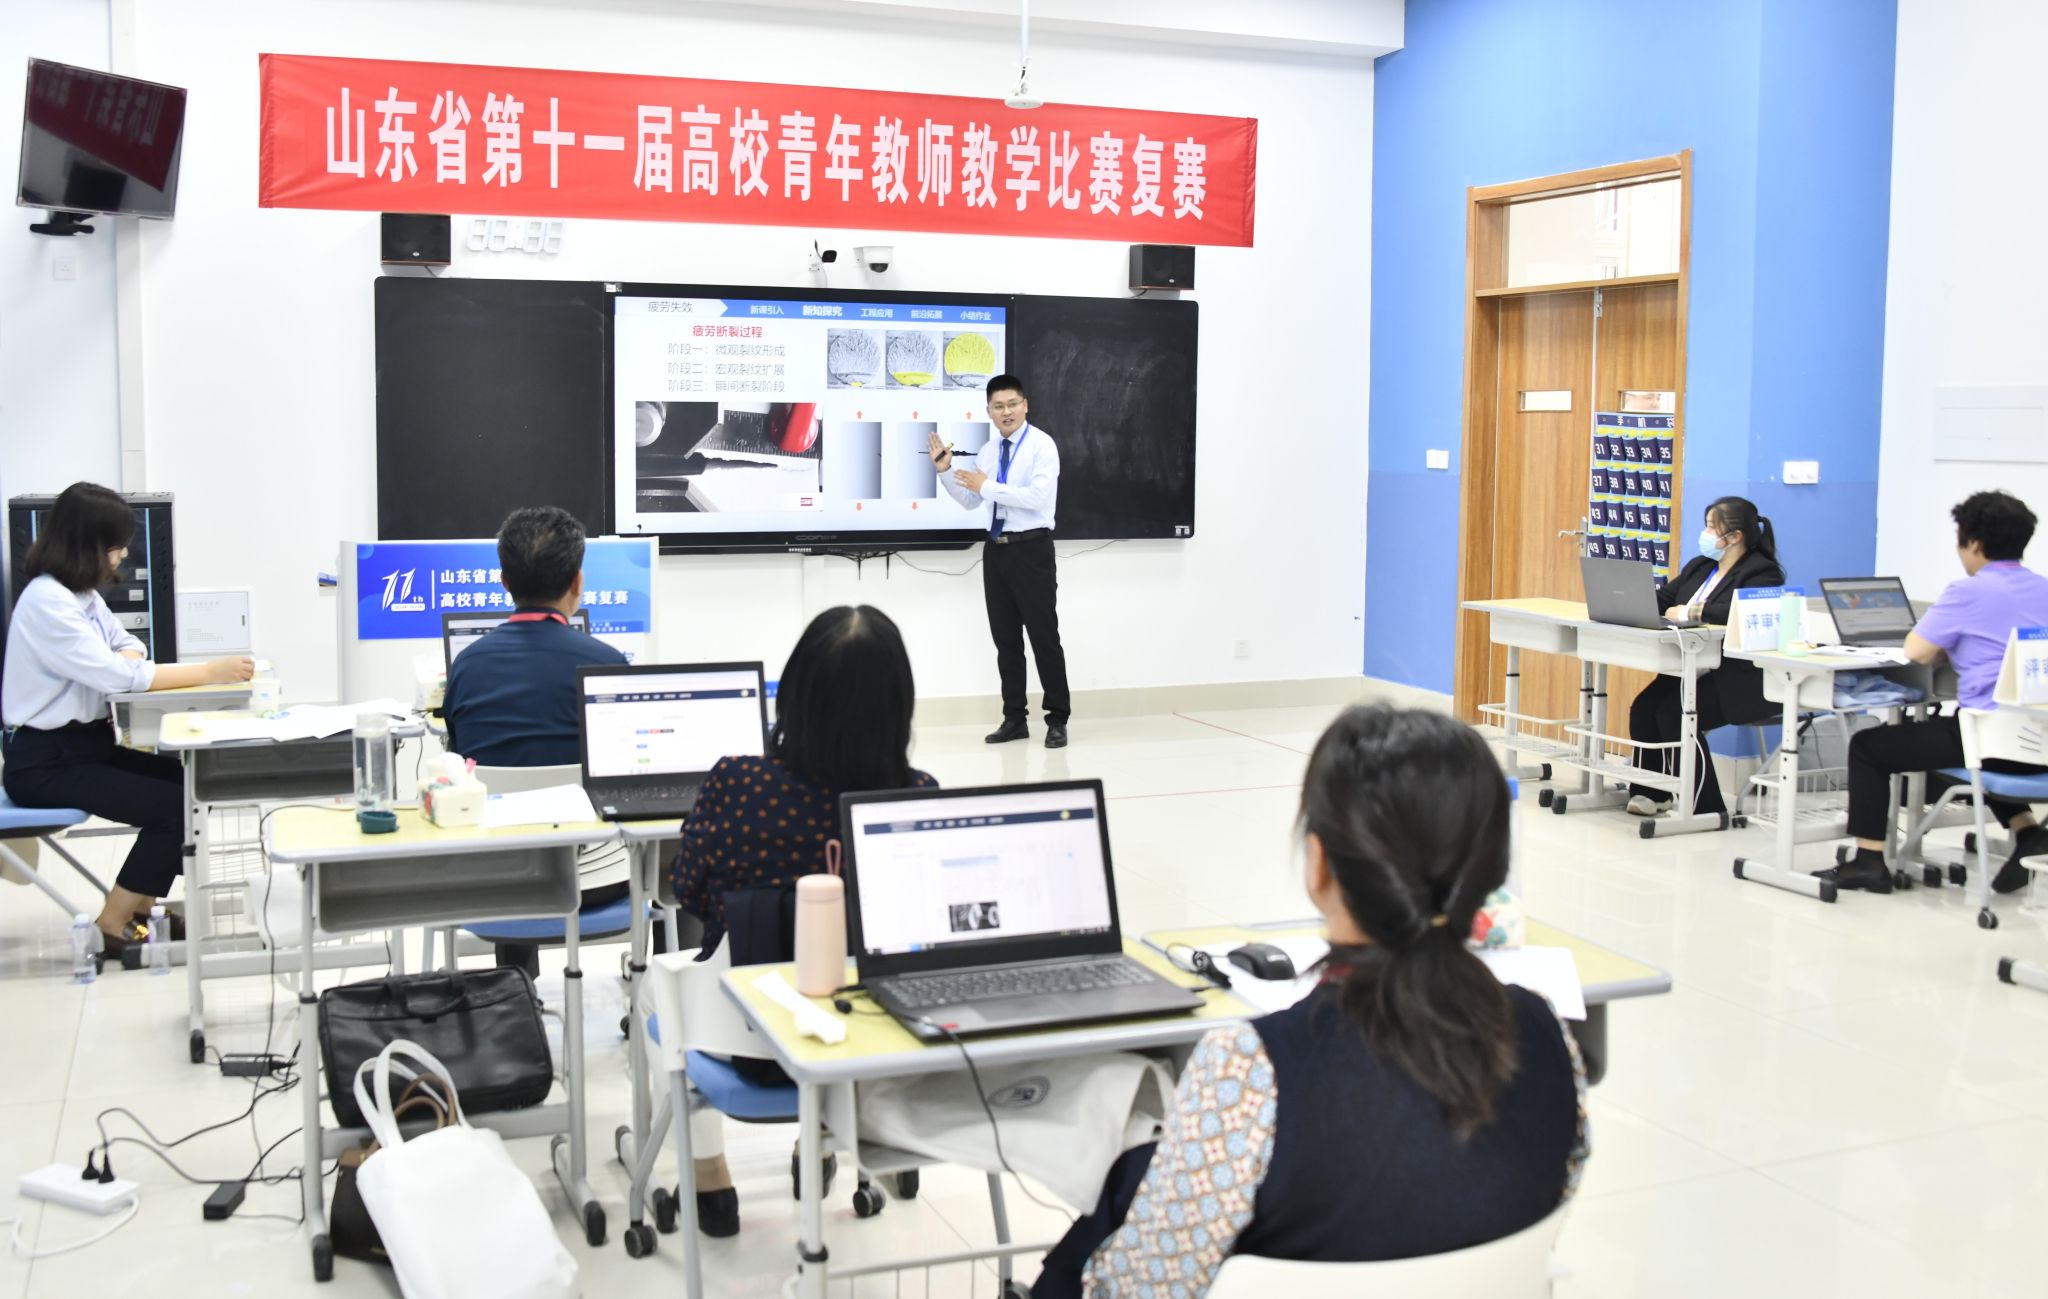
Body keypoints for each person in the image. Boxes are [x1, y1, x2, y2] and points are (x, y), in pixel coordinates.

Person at [1032, 704, 1586, 1299]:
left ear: (1319, 865)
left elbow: (1133, 1290)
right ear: (1490, 867)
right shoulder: (1547, 1033)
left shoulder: (1250, 1068)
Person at [670, 604, 936, 1237]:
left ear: (792, 696)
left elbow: (688, 889)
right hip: (873, 1046)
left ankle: (710, 1180)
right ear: (899, 707)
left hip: (744, 1036)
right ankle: (816, 1143)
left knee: (670, 989)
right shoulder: (917, 795)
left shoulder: (738, 783)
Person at [1, 482, 254, 958]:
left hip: (84, 747)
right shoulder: (47, 602)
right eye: (114, 547)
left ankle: (144, 909)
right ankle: (113, 925)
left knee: (190, 784)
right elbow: (121, 673)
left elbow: (129, 647)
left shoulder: (80, 595)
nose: (119, 557)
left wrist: (124, 663)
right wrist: (208, 672)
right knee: (170, 807)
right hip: (44, 762)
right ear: (88, 544)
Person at [1821, 490, 2048, 895]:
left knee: (1869, 747)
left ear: (1974, 543)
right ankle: (2028, 832)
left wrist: (1950, 646)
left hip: (1987, 742)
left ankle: (1869, 861)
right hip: (2039, 745)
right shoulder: (2043, 588)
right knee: (1970, 734)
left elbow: (1916, 651)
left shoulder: (1967, 591)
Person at [441, 506, 630, 970]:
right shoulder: (607, 665)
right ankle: (662, 987)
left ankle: (516, 987)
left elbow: (461, 765)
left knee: (512, 822)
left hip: (500, 876)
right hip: (603, 877)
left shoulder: (468, 666)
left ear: (504, 582)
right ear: (577, 582)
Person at [928, 373, 1071, 749]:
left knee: (1044, 638)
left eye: (1012, 404)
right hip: (997, 551)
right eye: (998, 406)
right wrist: (945, 472)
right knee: (1006, 641)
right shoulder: (988, 452)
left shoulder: (1042, 445)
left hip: (1032, 549)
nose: (1006, 411)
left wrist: (986, 486)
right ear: (988, 411)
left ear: (1025, 405)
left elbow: (1037, 498)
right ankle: (1014, 719)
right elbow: (972, 501)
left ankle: (1057, 719)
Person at [1626, 496, 1787, 821]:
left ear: (1735, 536)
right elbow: (1664, 599)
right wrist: (1629, 601)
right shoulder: (1701, 566)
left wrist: (1692, 612)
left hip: (1737, 678)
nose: (1706, 533)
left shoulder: (1762, 572)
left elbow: (1738, 612)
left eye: (1712, 527)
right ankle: (1652, 793)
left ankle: (1706, 806)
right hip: (1689, 668)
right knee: (1643, 708)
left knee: (1675, 714)